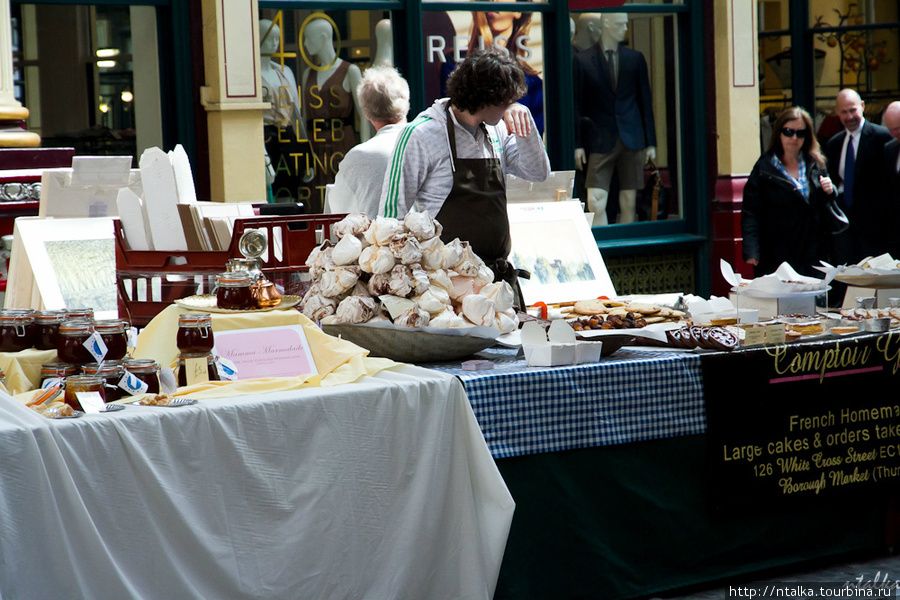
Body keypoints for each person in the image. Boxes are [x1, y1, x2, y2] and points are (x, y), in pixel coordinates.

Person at [379, 47, 550, 296]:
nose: (509, 105)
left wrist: (526, 124)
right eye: (506, 100)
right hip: (445, 287)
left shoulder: (496, 129)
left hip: (497, 282)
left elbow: (538, 172)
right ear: (485, 98)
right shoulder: (420, 134)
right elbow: (390, 216)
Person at [573, 12, 656, 226]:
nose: (625, 29)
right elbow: (577, 105)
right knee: (595, 200)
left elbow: (645, 101)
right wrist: (578, 144)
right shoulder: (582, 60)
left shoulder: (634, 59)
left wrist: (650, 142)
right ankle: (603, 248)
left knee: (628, 201)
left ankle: (625, 250)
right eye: (621, 24)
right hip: (599, 139)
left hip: (632, 137)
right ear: (607, 24)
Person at [741, 106, 836, 279]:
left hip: (812, 250)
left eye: (800, 133)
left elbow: (825, 205)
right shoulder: (764, 168)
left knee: (814, 301)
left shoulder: (816, 163)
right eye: (788, 132)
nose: (794, 138)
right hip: (777, 251)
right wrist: (751, 250)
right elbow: (751, 212)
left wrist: (830, 190)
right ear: (779, 133)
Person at [300, 17, 369, 212]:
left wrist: (364, 148)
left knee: (344, 193)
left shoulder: (350, 71)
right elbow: (305, 118)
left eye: (308, 39)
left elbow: (363, 114)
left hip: (342, 140)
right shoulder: (308, 74)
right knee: (317, 195)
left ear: (323, 38)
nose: (305, 45)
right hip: (316, 145)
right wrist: (305, 153)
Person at [327, 66, 409, 218]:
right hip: (428, 240)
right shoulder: (428, 144)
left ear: (366, 113)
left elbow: (339, 212)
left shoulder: (357, 157)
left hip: (375, 240)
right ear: (406, 104)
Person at [824, 89, 892, 264]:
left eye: (853, 110)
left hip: (873, 229)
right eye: (844, 112)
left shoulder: (882, 137)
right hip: (843, 229)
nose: (849, 117)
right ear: (837, 113)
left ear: (862, 106)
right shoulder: (834, 144)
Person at [259, 19, 312, 204]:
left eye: (277, 38)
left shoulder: (285, 71)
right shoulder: (251, 74)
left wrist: (307, 156)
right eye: (269, 38)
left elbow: (296, 113)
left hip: (288, 137)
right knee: (268, 193)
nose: (274, 43)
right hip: (264, 138)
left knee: (290, 193)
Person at [881, 101, 900, 258]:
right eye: (891, 130)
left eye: (898, 128)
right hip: (894, 235)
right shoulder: (890, 148)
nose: (895, 134)